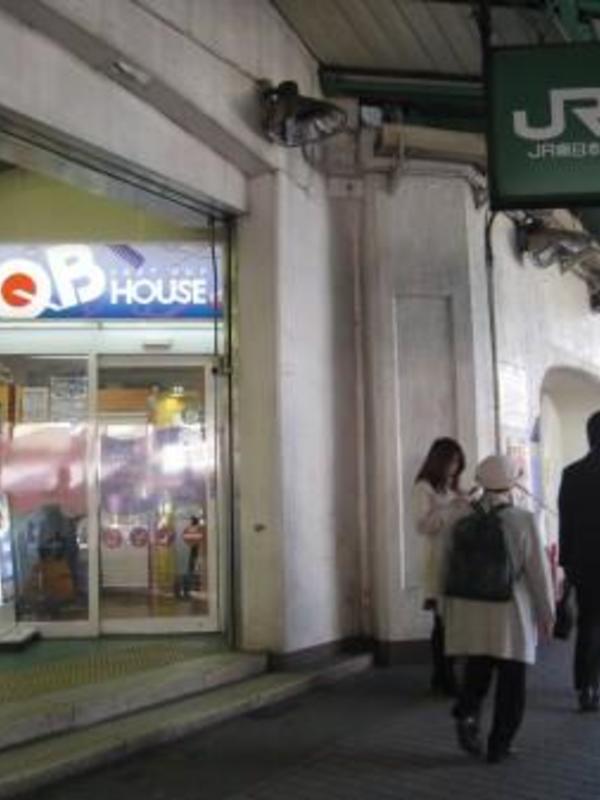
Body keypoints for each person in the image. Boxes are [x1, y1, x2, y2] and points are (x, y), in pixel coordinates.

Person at [444, 455, 555, 763]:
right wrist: (547, 614)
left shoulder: (460, 516)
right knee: (512, 680)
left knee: (477, 668)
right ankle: (499, 744)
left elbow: (447, 564)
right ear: (512, 482)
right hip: (510, 610)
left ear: (480, 479)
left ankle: (467, 713)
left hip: (469, 608)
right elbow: (538, 574)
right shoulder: (523, 519)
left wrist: (445, 606)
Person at [413, 437, 468, 696]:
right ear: (439, 461)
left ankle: (444, 675)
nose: (455, 468)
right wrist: (451, 509)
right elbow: (423, 525)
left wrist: (465, 503)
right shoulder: (423, 488)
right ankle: (444, 676)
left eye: (458, 463)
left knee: (454, 621)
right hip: (437, 560)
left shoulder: (453, 490)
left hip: (458, 561)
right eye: (452, 462)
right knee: (442, 620)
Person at [558, 410, 600, 711]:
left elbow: (566, 522)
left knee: (588, 623)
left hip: (584, 562)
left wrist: (566, 563)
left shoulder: (572, 473)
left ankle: (586, 686)